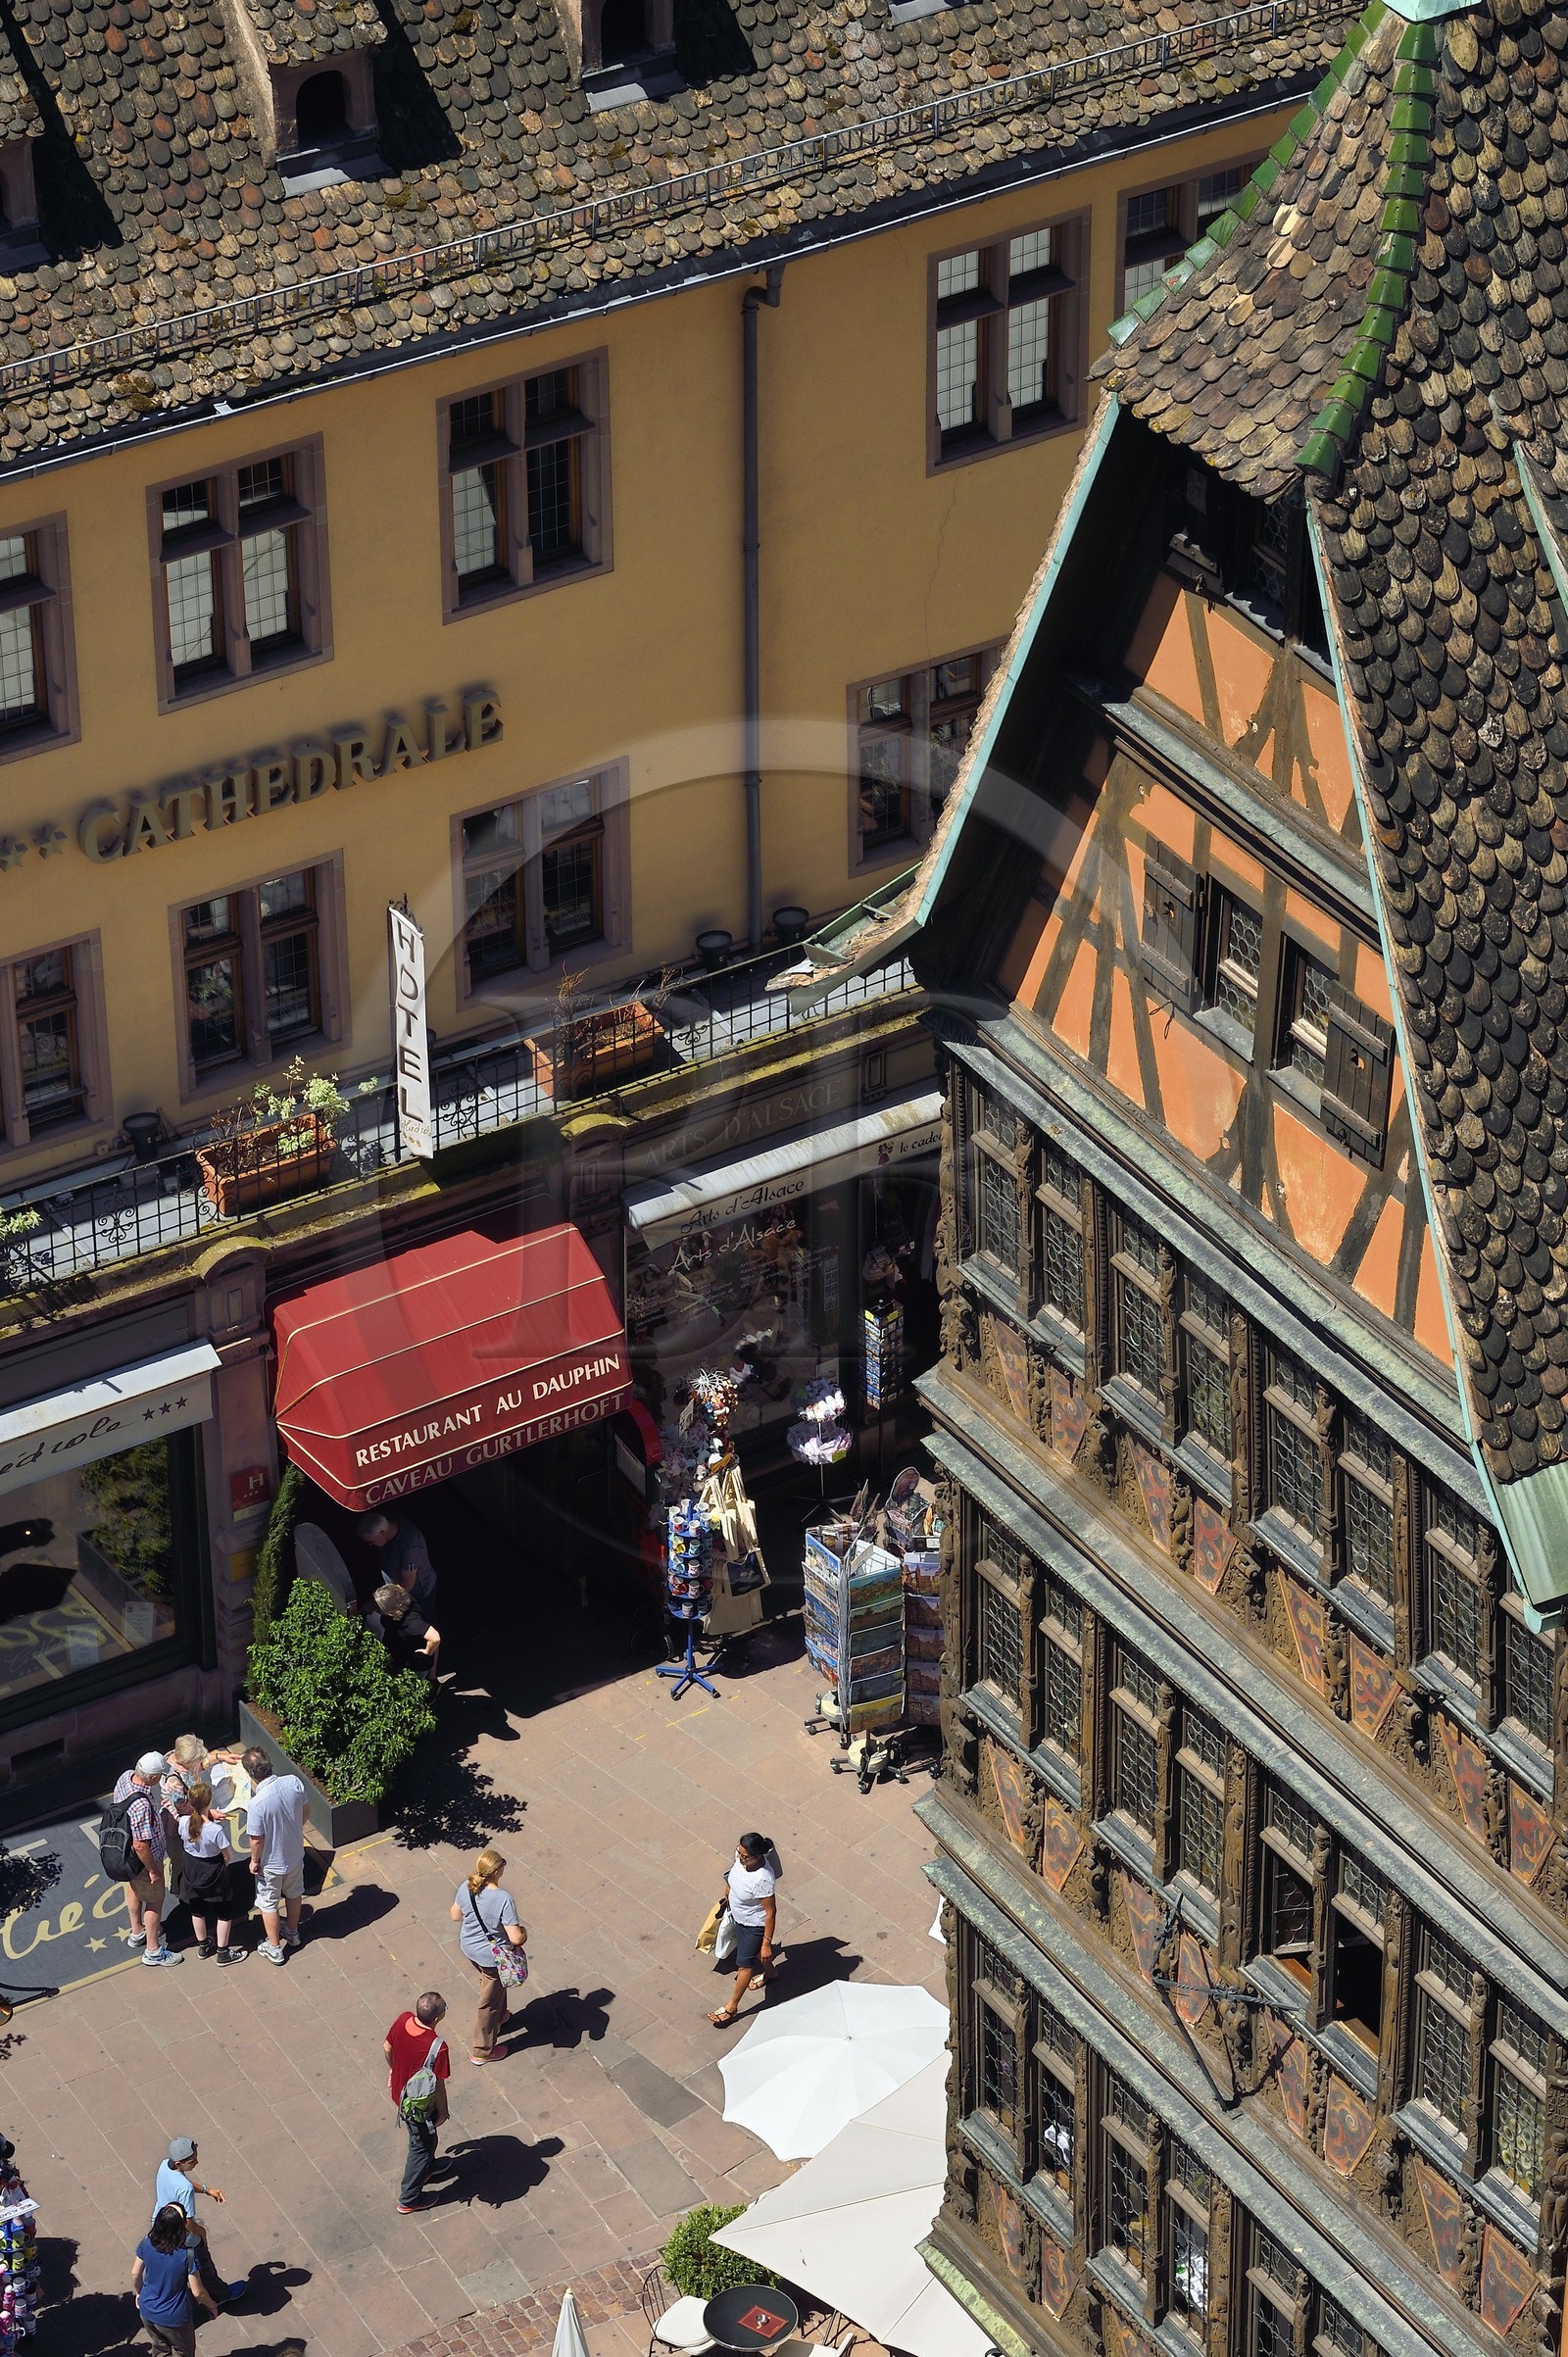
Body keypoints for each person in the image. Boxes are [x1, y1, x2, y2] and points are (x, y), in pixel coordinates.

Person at [448, 1849, 527, 2065]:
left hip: (470, 1949)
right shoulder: (503, 1898)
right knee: (487, 2005)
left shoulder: (466, 1886)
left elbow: (455, 1916)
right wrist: (524, 1932)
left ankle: (501, 2016)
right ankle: (481, 2051)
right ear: (498, 1871)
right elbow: (516, 1938)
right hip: (492, 1957)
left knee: (491, 1984)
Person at [152, 2137, 245, 2309]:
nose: (197, 2162)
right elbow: (188, 2223)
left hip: (160, 2224)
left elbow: (183, 2183)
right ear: (179, 2163)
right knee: (204, 2267)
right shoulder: (185, 2190)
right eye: (192, 2161)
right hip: (183, 2237)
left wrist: (206, 2189)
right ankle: (221, 2294)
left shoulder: (165, 2165)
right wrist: (202, 2233)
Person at [111, 1751, 180, 1967]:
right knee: (154, 1901)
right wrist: (152, 1870)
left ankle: (137, 1931)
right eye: (160, 1775)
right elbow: (140, 1845)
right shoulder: (140, 1805)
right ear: (152, 1778)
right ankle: (153, 1950)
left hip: (127, 1858)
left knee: (134, 1890)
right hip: (144, 1860)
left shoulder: (126, 1776)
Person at [241, 1745, 308, 1965]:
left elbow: (256, 1839)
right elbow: (305, 1811)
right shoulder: (293, 1782)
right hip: (295, 1854)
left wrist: (254, 1861)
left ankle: (274, 1948)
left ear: (251, 1774)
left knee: (268, 1903)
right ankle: (292, 1932)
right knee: (294, 1892)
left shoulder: (257, 1804)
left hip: (271, 1863)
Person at [384, 1991, 450, 2213]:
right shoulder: (437, 2046)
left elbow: (387, 2047)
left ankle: (428, 2168)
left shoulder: (404, 2019)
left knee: (427, 2141)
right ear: (438, 2018)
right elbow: (438, 2084)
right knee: (421, 2146)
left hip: (400, 2093)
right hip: (418, 2106)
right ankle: (409, 2198)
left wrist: (394, 2068)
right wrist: (443, 2111)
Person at [708, 1832, 777, 2026]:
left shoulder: (763, 1879)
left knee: (745, 1965)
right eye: (739, 1852)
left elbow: (770, 1913)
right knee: (756, 1955)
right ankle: (771, 1973)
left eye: (745, 1856)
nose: (740, 1857)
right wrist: (729, 1889)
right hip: (736, 1915)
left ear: (757, 1856)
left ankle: (731, 2007)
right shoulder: (741, 1858)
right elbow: (734, 1872)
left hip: (753, 1925)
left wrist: (766, 1943)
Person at [174, 1784, 247, 1964]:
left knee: (197, 1909)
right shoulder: (215, 1830)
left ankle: (203, 1945)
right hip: (213, 1870)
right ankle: (223, 1952)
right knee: (224, 1911)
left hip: (192, 1868)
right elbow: (227, 1855)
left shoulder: (183, 1822)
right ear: (209, 1802)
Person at [132, 2204, 218, 2357]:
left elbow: (135, 2274)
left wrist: (140, 2293)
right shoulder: (187, 2255)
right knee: (183, 2351)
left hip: (147, 2310)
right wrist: (212, 2306)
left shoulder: (147, 2242)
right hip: (174, 2317)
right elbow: (198, 2292)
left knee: (159, 2347)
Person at [358, 1509, 437, 1606]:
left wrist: (380, 1603)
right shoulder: (390, 1520)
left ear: (382, 1533)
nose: (370, 1545)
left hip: (418, 1593)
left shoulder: (410, 1549)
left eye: (372, 1541)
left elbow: (407, 1584)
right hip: (394, 1581)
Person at [371, 1582, 441, 1680]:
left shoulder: (411, 1622)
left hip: (415, 1662)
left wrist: (427, 1652)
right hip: (403, 1652)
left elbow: (435, 1638)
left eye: (379, 1608)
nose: (377, 1610)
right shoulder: (402, 1597)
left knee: (415, 1685)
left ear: (391, 1610)